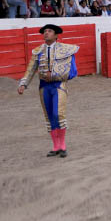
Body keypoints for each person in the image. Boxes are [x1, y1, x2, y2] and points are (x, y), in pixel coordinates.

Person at [17, 24, 79, 158]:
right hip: (44, 86)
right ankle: (56, 146)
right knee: (49, 116)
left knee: (58, 114)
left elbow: (71, 71)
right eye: (45, 31)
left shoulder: (65, 49)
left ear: (56, 35)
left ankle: (62, 145)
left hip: (58, 86)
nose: (46, 33)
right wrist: (24, 84)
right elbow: (31, 69)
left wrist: (56, 74)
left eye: (49, 31)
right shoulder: (38, 51)